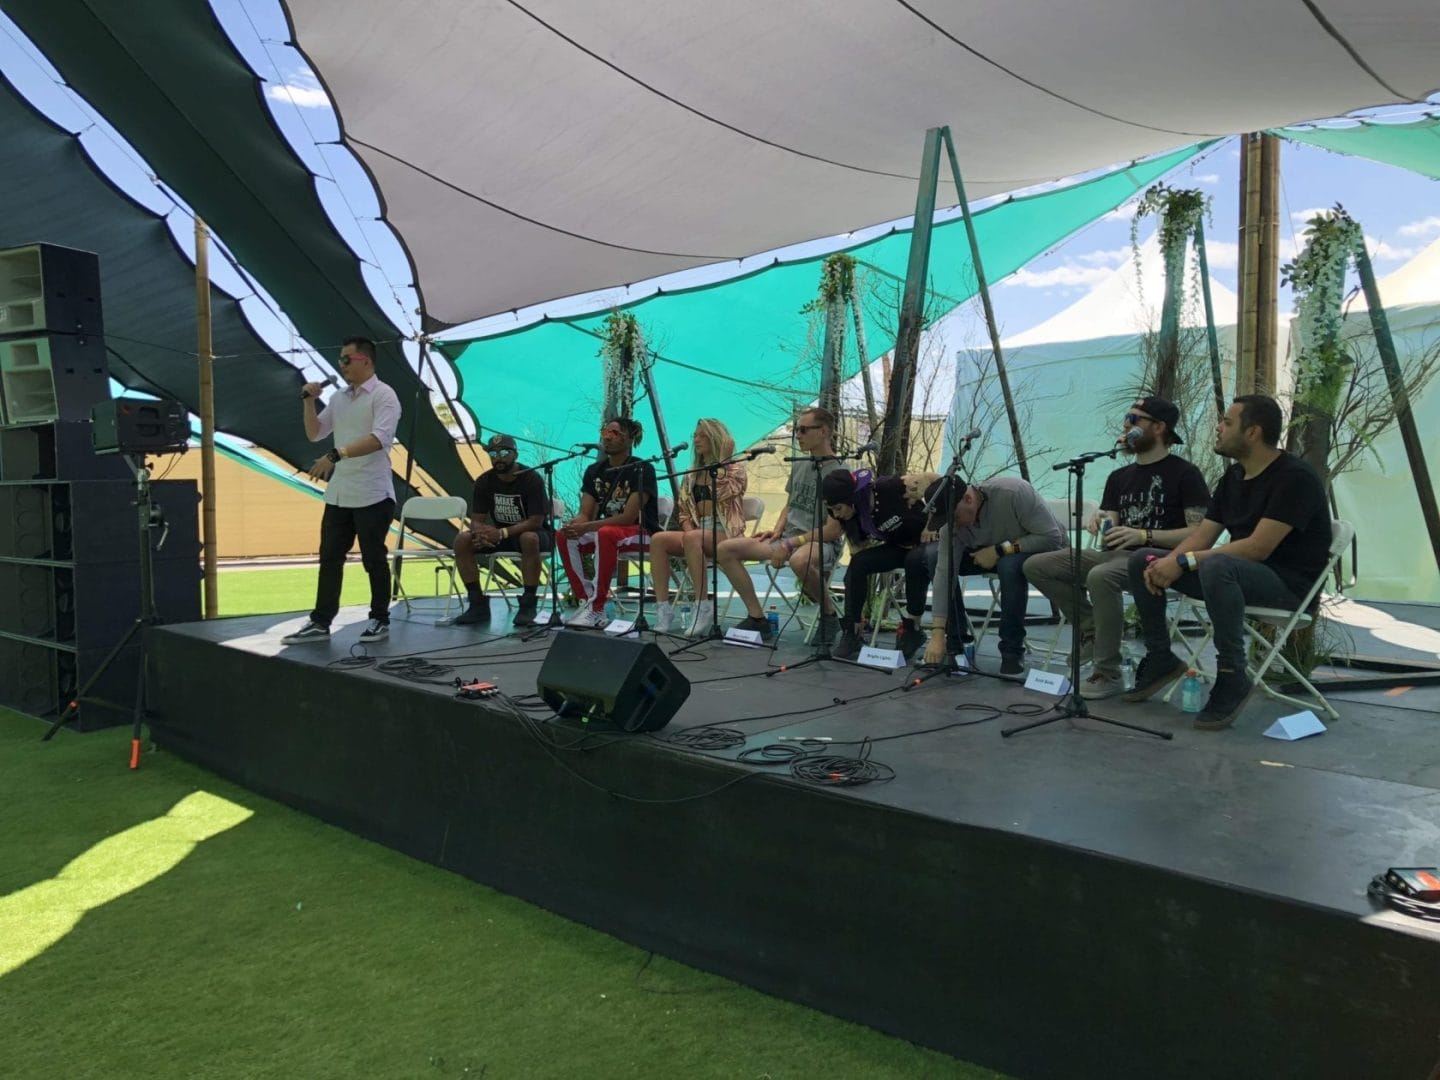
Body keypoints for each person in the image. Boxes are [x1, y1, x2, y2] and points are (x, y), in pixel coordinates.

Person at [1123, 394, 1333, 730]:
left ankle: (1232, 673)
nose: (1218, 428)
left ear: (1253, 432)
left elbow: (1256, 549)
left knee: (1216, 565)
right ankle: (1160, 656)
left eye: (1227, 422)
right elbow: (1202, 537)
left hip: (1286, 586)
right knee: (1142, 559)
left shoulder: (1295, 478)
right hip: (1235, 578)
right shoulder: (1233, 478)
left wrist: (1185, 561)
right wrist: (1170, 561)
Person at [1023, 396, 1210, 698]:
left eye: (1134, 419)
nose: (1125, 424)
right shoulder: (1118, 476)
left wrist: (1144, 536)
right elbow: (1114, 523)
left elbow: (1200, 532)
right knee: (1036, 565)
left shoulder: (1185, 473)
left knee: (1101, 576)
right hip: (1116, 555)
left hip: (1159, 560)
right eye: (1127, 417)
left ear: (1159, 427)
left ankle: (1107, 672)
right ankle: (1091, 627)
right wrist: (1101, 520)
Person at [283, 337, 402, 645]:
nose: (341, 365)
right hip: (340, 494)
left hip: (373, 493)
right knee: (330, 558)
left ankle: (379, 619)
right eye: (340, 360)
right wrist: (309, 401)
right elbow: (315, 434)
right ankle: (320, 622)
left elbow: (379, 439)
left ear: (366, 360)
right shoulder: (338, 398)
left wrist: (335, 455)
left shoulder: (384, 395)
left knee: (373, 558)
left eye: (346, 359)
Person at [715, 406, 846, 643]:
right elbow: (790, 503)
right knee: (726, 549)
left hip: (820, 542)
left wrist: (791, 543)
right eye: (797, 429)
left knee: (799, 560)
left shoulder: (839, 472)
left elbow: (833, 529)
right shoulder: (799, 463)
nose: (798, 434)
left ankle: (829, 615)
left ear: (824, 431)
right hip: (788, 538)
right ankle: (757, 618)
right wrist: (777, 531)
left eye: (804, 429)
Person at [921, 476, 1066, 674]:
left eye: (954, 518)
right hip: (986, 553)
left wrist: (999, 550)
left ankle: (1011, 651)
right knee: (934, 556)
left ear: (969, 499)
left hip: (1034, 549)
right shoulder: (953, 525)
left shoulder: (1013, 493)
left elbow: (1051, 538)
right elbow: (944, 574)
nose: (953, 525)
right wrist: (937, 633)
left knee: (1008, 565)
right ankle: (955, 643)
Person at [820, 467, 940, 662]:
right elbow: (858, 558)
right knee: (858, 564)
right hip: (899, 547)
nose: (836, 515)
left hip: (928, 543)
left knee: (914, 561)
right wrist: (859, 611)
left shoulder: (889, 487)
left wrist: (932, 524)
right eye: (831, 510)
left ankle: (913, 628)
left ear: (852, 498)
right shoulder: (852, 519)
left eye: (839, 508)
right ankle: (853, 631)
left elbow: (938, 482)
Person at [648, 418, 748, 637]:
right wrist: (687, 529)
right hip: (697, 532)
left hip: (726, 532)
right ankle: (663, 608)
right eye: (695, 434)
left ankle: (702, 605)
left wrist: (723, 460)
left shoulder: (736, 468)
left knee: (693, 538)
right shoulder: (692, 473)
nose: (696, 439)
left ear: (715, 437)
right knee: (658, 539)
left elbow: (724, 492)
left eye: (701, 435)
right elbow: (683, 510)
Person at [558, 417, 659, 629]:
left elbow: (628, 518)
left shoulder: (642, 469)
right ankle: (588, 601)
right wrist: (576, 524)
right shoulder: (594, 471)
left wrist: (586, 527)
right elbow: (585, 514)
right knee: (564, 535)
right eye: (605, 431)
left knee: (606, 533)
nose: (607, 437)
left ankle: (597, 607)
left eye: (615, 433)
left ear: (629, 440)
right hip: (608, 532)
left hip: (641, 532)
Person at [452, 433, 552, 628]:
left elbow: (536, 520)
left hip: (538, 535)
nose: (498, 457)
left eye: (505, 452)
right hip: (501, 535)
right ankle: (477, 603)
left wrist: (502, 533)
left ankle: (528, 603)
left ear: (515, 454)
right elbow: (477, 519)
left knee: (528, 538)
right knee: (462, 540)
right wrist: (480, 533)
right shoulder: (484, 481)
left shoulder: (531, 478)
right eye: (493, 453)